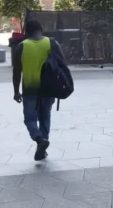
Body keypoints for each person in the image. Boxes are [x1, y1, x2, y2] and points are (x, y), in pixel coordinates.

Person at [12, 19, 68, 161]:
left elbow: (17, 71)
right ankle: (42, 147)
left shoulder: (21, 46)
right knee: (45, 118)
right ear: (41, 29)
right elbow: (63, 63)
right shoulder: (52, 43)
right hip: (48, 89)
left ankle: (39, 140)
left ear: (26, 32)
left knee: (30, 119)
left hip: (29, 89)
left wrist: (16, 91)